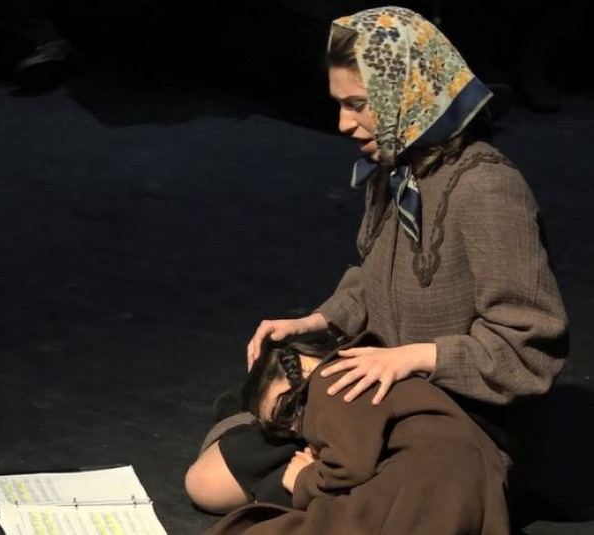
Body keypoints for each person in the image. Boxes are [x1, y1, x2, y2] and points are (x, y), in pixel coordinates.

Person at [187, 4, 568, 525]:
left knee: (357, 505)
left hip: (458, 423)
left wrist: (414, 358)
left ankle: (330, 478)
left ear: (408, 94)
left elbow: (529, 346)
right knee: (213, 473)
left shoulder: (487, 190)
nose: (344, 123)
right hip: (385, 395)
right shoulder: (397, 167)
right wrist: (316, 322)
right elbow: (374, 281)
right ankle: (329, 466)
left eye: (359, 104)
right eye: (340, 104)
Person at [206, 339, 510, 534]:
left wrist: (302, 479)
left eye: (285, 412)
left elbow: (348, 468)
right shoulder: (351, 375)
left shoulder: (331, 382)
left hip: (431, 488)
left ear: (299, 373)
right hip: (461, 489)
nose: (294, 431)